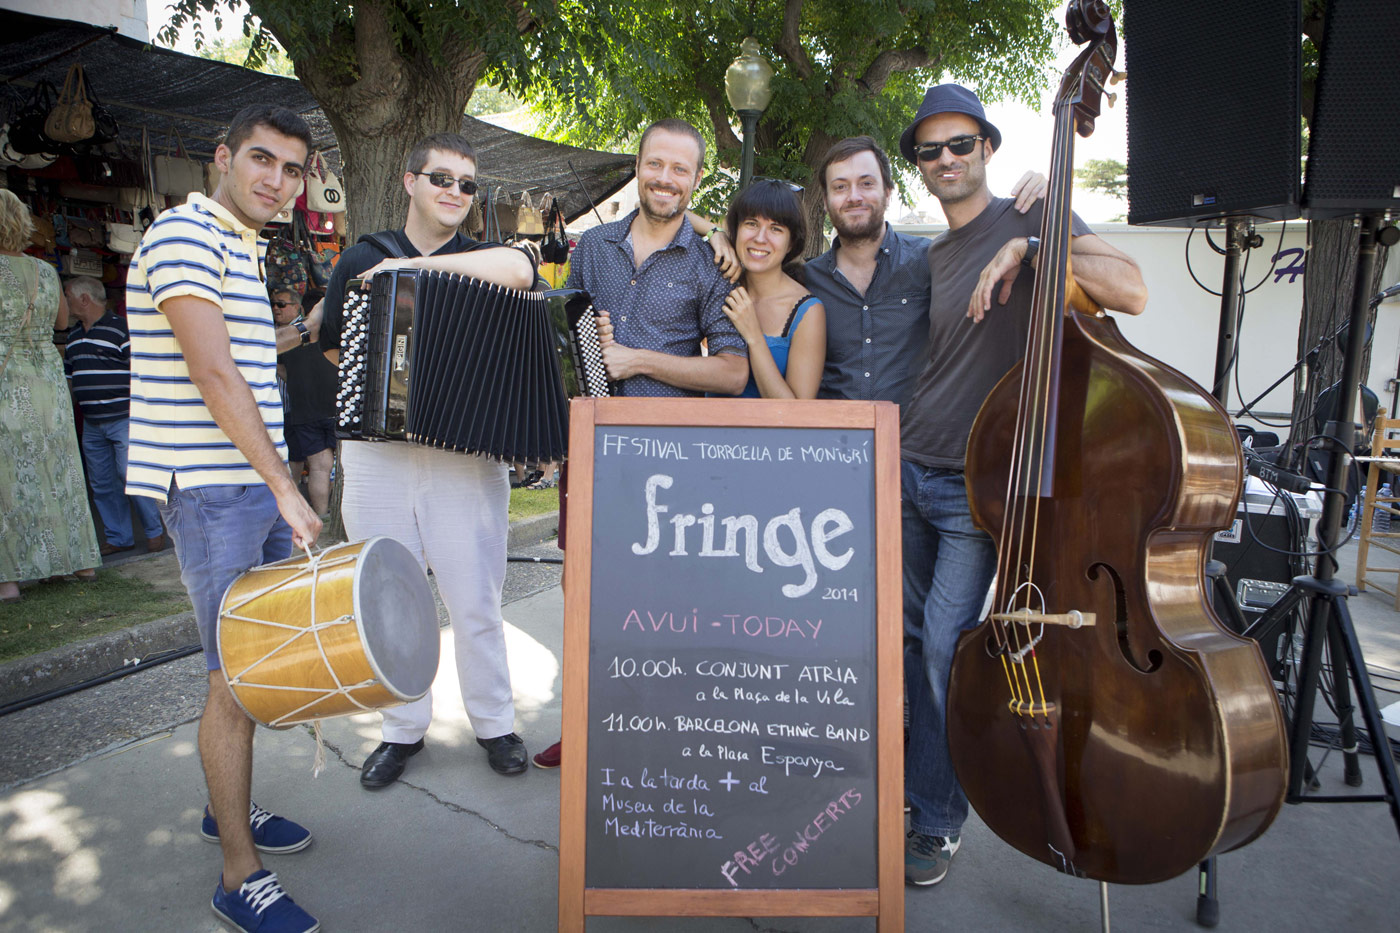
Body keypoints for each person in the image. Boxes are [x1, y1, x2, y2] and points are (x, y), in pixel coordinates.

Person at [896, 84, 1147, 888]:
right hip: (907, 466)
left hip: (979, 486)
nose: (945, 161)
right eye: (929, 152)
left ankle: (941, 819)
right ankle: (915, 795)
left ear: (987, 149)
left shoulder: (1035, 214)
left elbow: (1132, 289)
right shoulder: (933, 254)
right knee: (905, 649)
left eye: (959, 145)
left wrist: (1035, 248)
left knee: (945, 646)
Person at [125, 104, 326, 933]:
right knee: (231, 683)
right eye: (260, 159)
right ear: (222, 158)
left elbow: (239, 354)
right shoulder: (183, 235)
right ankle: (237, 875)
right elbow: (211, 372)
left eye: (290, 168)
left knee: (253, 667)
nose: (275, 180)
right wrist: (286, 487)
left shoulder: (243, 247)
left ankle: (225, 809)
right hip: (214, 490)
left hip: (245, 485)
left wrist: (306, 333)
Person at [319, 132, 539, 788]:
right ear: (410, 181)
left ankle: (495, 721)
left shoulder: (485, 256)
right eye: (441, 178)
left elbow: (526, 271)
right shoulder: (363, 254)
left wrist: (411, 278)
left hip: (463, 455)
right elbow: (335, 345)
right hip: (379, 454)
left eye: (467, 184)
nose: (455, 193)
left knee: (475, 595)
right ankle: (401, 729)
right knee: (391, 596)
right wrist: (376, 381)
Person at [531, 118, 747, 770]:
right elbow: (560, 334)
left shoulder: (712, 260)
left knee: (662, 602)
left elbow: (733, 372)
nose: (665, 178)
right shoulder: (591, 246)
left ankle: (658, 730)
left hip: (666, 464)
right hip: (588, 454)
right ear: (639, 164)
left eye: (680, 169)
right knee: (584, 592)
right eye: (656, 163)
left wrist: (632, 359)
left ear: (697, 179)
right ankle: (584, 723)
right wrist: (583, 344)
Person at [808, 136, 1046, 406]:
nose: (854, 196)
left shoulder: (933, 259)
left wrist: (1045, 202)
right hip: (831, 445)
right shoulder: (806, 281)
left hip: (915, 442)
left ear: (888, 192)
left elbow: (995, 254)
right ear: (825, 201)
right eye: (840, 187)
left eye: (866, 183)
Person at [0, 190, 101, 603]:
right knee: (60, 469)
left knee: (11, 477)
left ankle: (9, 578)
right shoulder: (45, 272)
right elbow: (62, 321)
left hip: (8, 381)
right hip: (48, 376)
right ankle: (79, 562)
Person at [62, 275, 166, 556]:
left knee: (131, 475)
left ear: (84, 298)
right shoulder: (73, 336)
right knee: (102, 482)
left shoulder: (121, 330)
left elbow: (141, 372)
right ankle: (119, 537)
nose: (65, 301)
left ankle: (154, 531)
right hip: (93, 423)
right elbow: (71, 379)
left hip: (124, 417)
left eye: (68, 295)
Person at [718, 178, 825, 399]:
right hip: (705, 431)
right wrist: (714, 233)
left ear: (791, 243)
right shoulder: (721, 282)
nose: (760, 238)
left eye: (775, 229)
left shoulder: (807, 311)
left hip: (764, 433)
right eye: (751, 224)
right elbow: (654, 209)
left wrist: (753, 334)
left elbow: (796, 415)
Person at [269, 288, 333, 515]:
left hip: (305, 409)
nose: (276, 308)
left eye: (281, 304)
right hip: (333, 406)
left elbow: (283, 372)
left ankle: (322, 514)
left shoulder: (286, 338)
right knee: (341, 466)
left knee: (318, 468)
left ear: (299, 307)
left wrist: (298, 384)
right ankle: (334, 516)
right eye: (274, 304)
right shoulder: (329, 330)